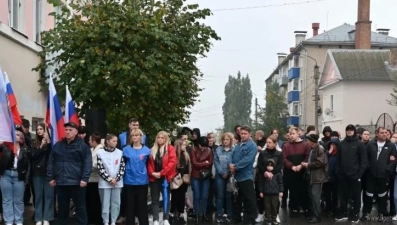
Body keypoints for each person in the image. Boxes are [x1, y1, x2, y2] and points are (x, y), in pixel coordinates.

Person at [47, 122, 92, 225]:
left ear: (76, 132)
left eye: (70, 130)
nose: (67, 132)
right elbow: (51, 162)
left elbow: (88, 163)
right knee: (62, 209)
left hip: (77, 183)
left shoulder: (82, 146)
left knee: (80, 208)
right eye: (66, 130)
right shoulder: (58, 145)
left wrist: (85, 179)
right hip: (61, 182)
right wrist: (51, 177)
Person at [335, 124, 368, 223]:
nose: (349, 132)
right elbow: (338, 159)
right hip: (343, 175)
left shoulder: (359, 144)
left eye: (351, 130)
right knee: (343, 195)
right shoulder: (341, 143)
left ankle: (356, 213)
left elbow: (363, 161)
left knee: (356, 196)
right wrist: (338, 171)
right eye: (348, 130)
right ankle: (344, 212)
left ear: (354, 131)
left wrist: (359, 174)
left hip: (355, 175)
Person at [0, 131, 30, 225]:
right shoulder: (5, 147)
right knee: (7, 200)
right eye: (14, 134)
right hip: (6, 175)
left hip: (19, 176)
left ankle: (18, 220)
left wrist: (26, 179)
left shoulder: (25, 149)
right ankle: (9, 221)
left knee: (19, 200)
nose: (15, 136)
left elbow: (28, 165)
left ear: (21, 138)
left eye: (17, 134)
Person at [229, 125, 258, 225]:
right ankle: (236, 218)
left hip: (246, 176)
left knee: (249, 199)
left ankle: (251, 219)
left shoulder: (252, 146)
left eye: (245, 134)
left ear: (249, 134)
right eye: (241, 133)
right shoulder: (239, 144)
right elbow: (233, 155)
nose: (243, 135)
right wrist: (231, 164)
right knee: (237, 198)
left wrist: (235, 166)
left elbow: (248, 160)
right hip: (237, 176)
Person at [147, 131, 177, 225]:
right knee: (155, 199)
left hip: (165, 178)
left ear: (165, 139)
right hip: (154, 178)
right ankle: (155, 219)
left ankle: (165, 218)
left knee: (166, 199)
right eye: (158, 137)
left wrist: (162, 173)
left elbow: (172, 162)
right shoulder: (152, 149)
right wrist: (152, 173)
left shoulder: (170, 148)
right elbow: (149, 163)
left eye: (162, 137)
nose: (160, 139)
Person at [123, 129, 150, 225]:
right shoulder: (125, 150)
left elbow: (148, 164)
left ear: (140, 137)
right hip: (129, 181)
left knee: (142, 205)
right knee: (130, 205)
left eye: (136, 135)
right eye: (132, 135)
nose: (134, 137)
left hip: (142, 181)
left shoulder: (147, 150)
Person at [97, 134, 126, 225]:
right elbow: (100, 168)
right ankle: (106, 221)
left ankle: (113, 220)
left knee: (116, 202)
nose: (115, 143)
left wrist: (116, 179)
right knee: (105, 203)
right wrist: (109, 179)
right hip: (105, 183)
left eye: (116, 141)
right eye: (113, 141)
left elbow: (122, 167)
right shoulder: (100, 153)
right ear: (108, 141)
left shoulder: (120, 152)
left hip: (117, 183)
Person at [29, 123, 54, 225]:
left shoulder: (51, 142)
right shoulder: (33, 142)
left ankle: (47, 217)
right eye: (37, 129)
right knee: (38, 196)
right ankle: (38, 218)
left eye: (41, 129)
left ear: (45, 130)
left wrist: (48, 143)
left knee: (49, 196)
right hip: (37, 172)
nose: (39, 131)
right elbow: (32, 156)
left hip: (48, 172)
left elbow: (52, 155)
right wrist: (41, 146)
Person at [301, 134, 328, 224]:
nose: (306, 141)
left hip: (317, 177)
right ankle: (313, 215)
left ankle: (317, 216)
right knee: (311, 196)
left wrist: (307, 165)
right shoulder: (312, 148)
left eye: (308, 140)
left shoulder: (320, 149)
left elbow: (321, 162)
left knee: (315, 197)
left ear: (312, 141)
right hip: (310, 176)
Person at [191, 136, 213, 224]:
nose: (203, 147)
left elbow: (210, 163)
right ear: (198, 144)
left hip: (205, 176)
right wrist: (205, 163)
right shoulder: (194, 150)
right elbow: (194, 164)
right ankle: (196, 213)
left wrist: (202, 164)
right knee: (196, 196)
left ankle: (203, 213)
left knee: (204, 196)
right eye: (202, 146)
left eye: (205, 146)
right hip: (195, 175)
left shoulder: (209, 150)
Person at [213, 132, 234, 223]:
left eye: (227, 139)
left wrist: (229, 172)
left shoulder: (234, 150)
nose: (225, 141)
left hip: (230, 175)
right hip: (220, 175)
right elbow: (216, 162)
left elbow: (235, 161)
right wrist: (222, 172)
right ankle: (219, 215)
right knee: (220, 195)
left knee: (229, 195)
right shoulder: (218, 149)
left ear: (230, 140)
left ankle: (229, 214)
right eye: (224, 139)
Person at [170, 139, 191, 224]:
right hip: (175, 178)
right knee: (175, 196)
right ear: (179, 146)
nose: (185, 146)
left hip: (183, 179)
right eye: (183, 145)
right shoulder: (174, 155)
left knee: (182, 196)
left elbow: (186, 167)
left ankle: (181, 212)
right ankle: (172, 212)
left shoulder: (186, 155)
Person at [258, 159, 283, 225]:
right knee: (267, 207)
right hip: (266, 193)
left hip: (275, 194)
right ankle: (268, 219)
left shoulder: (278, 174)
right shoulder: (264, 174)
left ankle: (274, 218)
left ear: (274, 167)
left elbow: (281, 183)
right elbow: (261, 183)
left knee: (274, 207)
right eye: (268, 166)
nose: (269, 167)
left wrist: (281, 191)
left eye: (271, 166)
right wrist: (261, 191)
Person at [87, 132, 104, 225]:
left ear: (94, 140)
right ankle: (92, 218)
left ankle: (97, 220)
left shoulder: (100, 150)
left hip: (96, 179)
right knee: (91, 200)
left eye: (90, 140)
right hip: (90, 179)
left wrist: (87, 166)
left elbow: (97, 165)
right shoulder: (91, 150)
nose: (89, 141)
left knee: (96, 201)